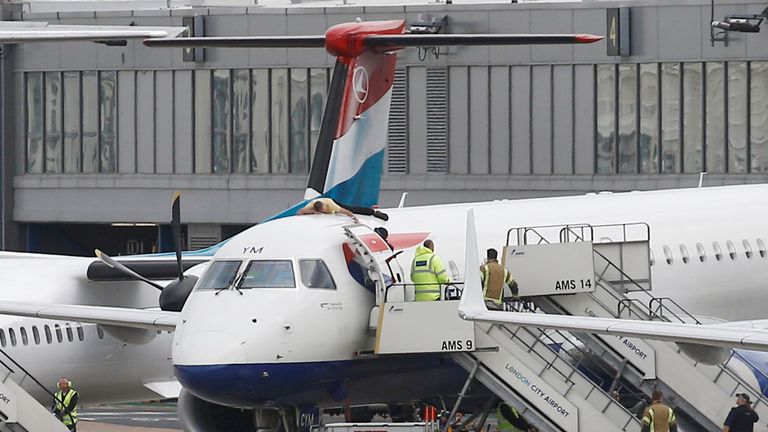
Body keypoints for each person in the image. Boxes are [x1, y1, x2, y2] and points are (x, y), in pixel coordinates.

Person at [298, 197, 388, 221]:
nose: (324, 212)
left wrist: (353, 218)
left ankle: (373, 212)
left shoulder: (330, 205)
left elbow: (347, 212)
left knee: (350, 208)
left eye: (324, 210)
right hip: (317, 205)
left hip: (331, 200)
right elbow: (300, 212)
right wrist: (313, 212)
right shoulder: (311, 205)